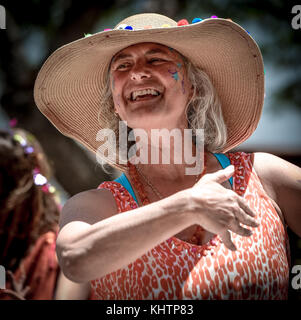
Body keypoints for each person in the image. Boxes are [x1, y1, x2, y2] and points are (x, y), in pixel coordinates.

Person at [34, 13, 301, 299]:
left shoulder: (262, 177)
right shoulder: (97, 206)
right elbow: (75, 259)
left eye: (156, 59)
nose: (137, 73)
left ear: (194, 88)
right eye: (123, 65)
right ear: (115, 104)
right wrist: (186, 206)